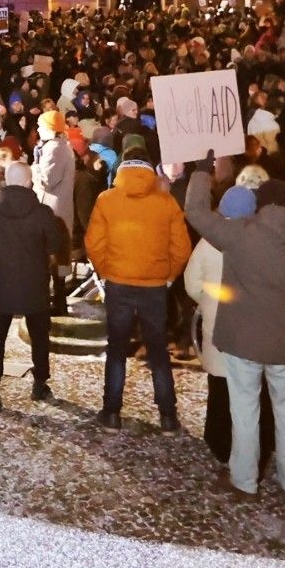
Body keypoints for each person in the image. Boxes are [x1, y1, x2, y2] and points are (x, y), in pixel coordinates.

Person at [182, 166, 285, 499]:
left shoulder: (239, 235)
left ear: (259, 204)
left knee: (245, 411)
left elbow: (194, 211)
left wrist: (203, 174)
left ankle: (245, 480)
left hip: (241, 343)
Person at [83, 144, 192, 431]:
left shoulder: (107, 199)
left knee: (117, 347)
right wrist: (168, 276)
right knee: (157, 349)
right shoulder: (166, 202)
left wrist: (107, 271)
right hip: (154, 286)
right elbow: (181, 247)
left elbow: (94, 243)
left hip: (118, 282)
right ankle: (168, 416)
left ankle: (112, 412)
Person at [186, 185, 275, 473]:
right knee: (251, 389)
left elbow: (191, 282)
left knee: (221, 386)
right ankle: (256, 446)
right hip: (253, 326)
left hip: (218, 324)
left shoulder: (209, 241)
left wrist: (208, 300)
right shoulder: (262, 240)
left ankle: (220, 441)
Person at [0, 159, 69, 410]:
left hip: (1, 282)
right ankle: (40, 383)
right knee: (39, 336)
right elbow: (55, 245)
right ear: (28, 182)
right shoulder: (43, 213)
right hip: (34, 283)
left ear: (6, 180)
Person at [33, 109, 78, 312]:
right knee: (57, 256)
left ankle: (56, 302)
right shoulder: (61, 146)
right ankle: (58, 300)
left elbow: (47, 180)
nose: (38, 130)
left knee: (52, 255)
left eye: (41, 126)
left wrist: (33, 167)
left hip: (52, 208)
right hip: (58, 207)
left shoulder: (55, 149)